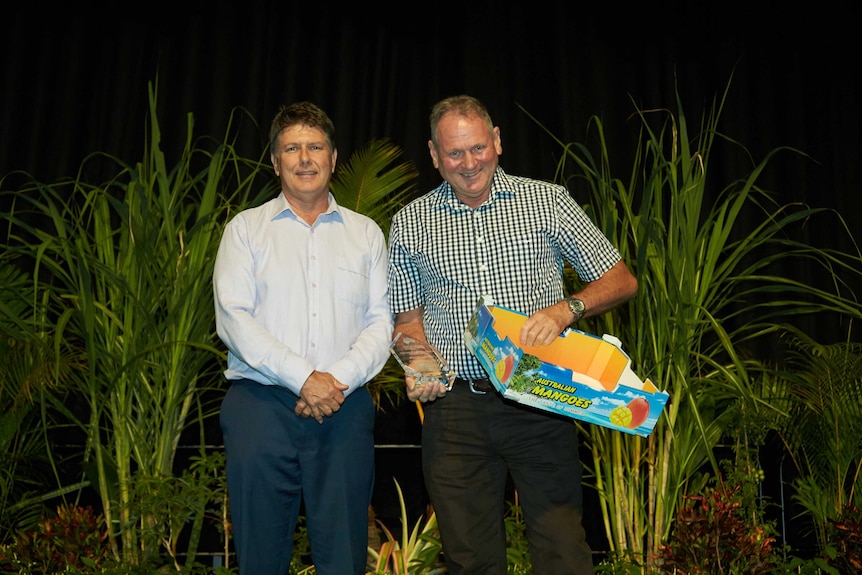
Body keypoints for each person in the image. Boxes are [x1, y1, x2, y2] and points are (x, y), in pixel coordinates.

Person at [387, 95, 638, 574]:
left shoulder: (547, 202)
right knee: (468, 559)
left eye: (477, 148)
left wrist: (568, 309)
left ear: (497, 141)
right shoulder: (409, 223)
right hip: (456, 408)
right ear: (435, 156)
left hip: (540, 395)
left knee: (563, 552)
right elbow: (407, 323)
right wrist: (419, 367)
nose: (468, 163)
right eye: (454, 154)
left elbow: (621, 279)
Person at [213, 101, 393, 575]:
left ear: (333, 157)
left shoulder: (366, 234)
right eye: (292, 148)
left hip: (345, 408)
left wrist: (334, 381)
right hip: (260, 410)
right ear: (275, 162)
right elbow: (233, 319)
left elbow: (381, 323)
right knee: (261, 557)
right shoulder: (245, 231)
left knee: (344, 557)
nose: (305, 158)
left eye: (315, 146)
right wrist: (304, 378)